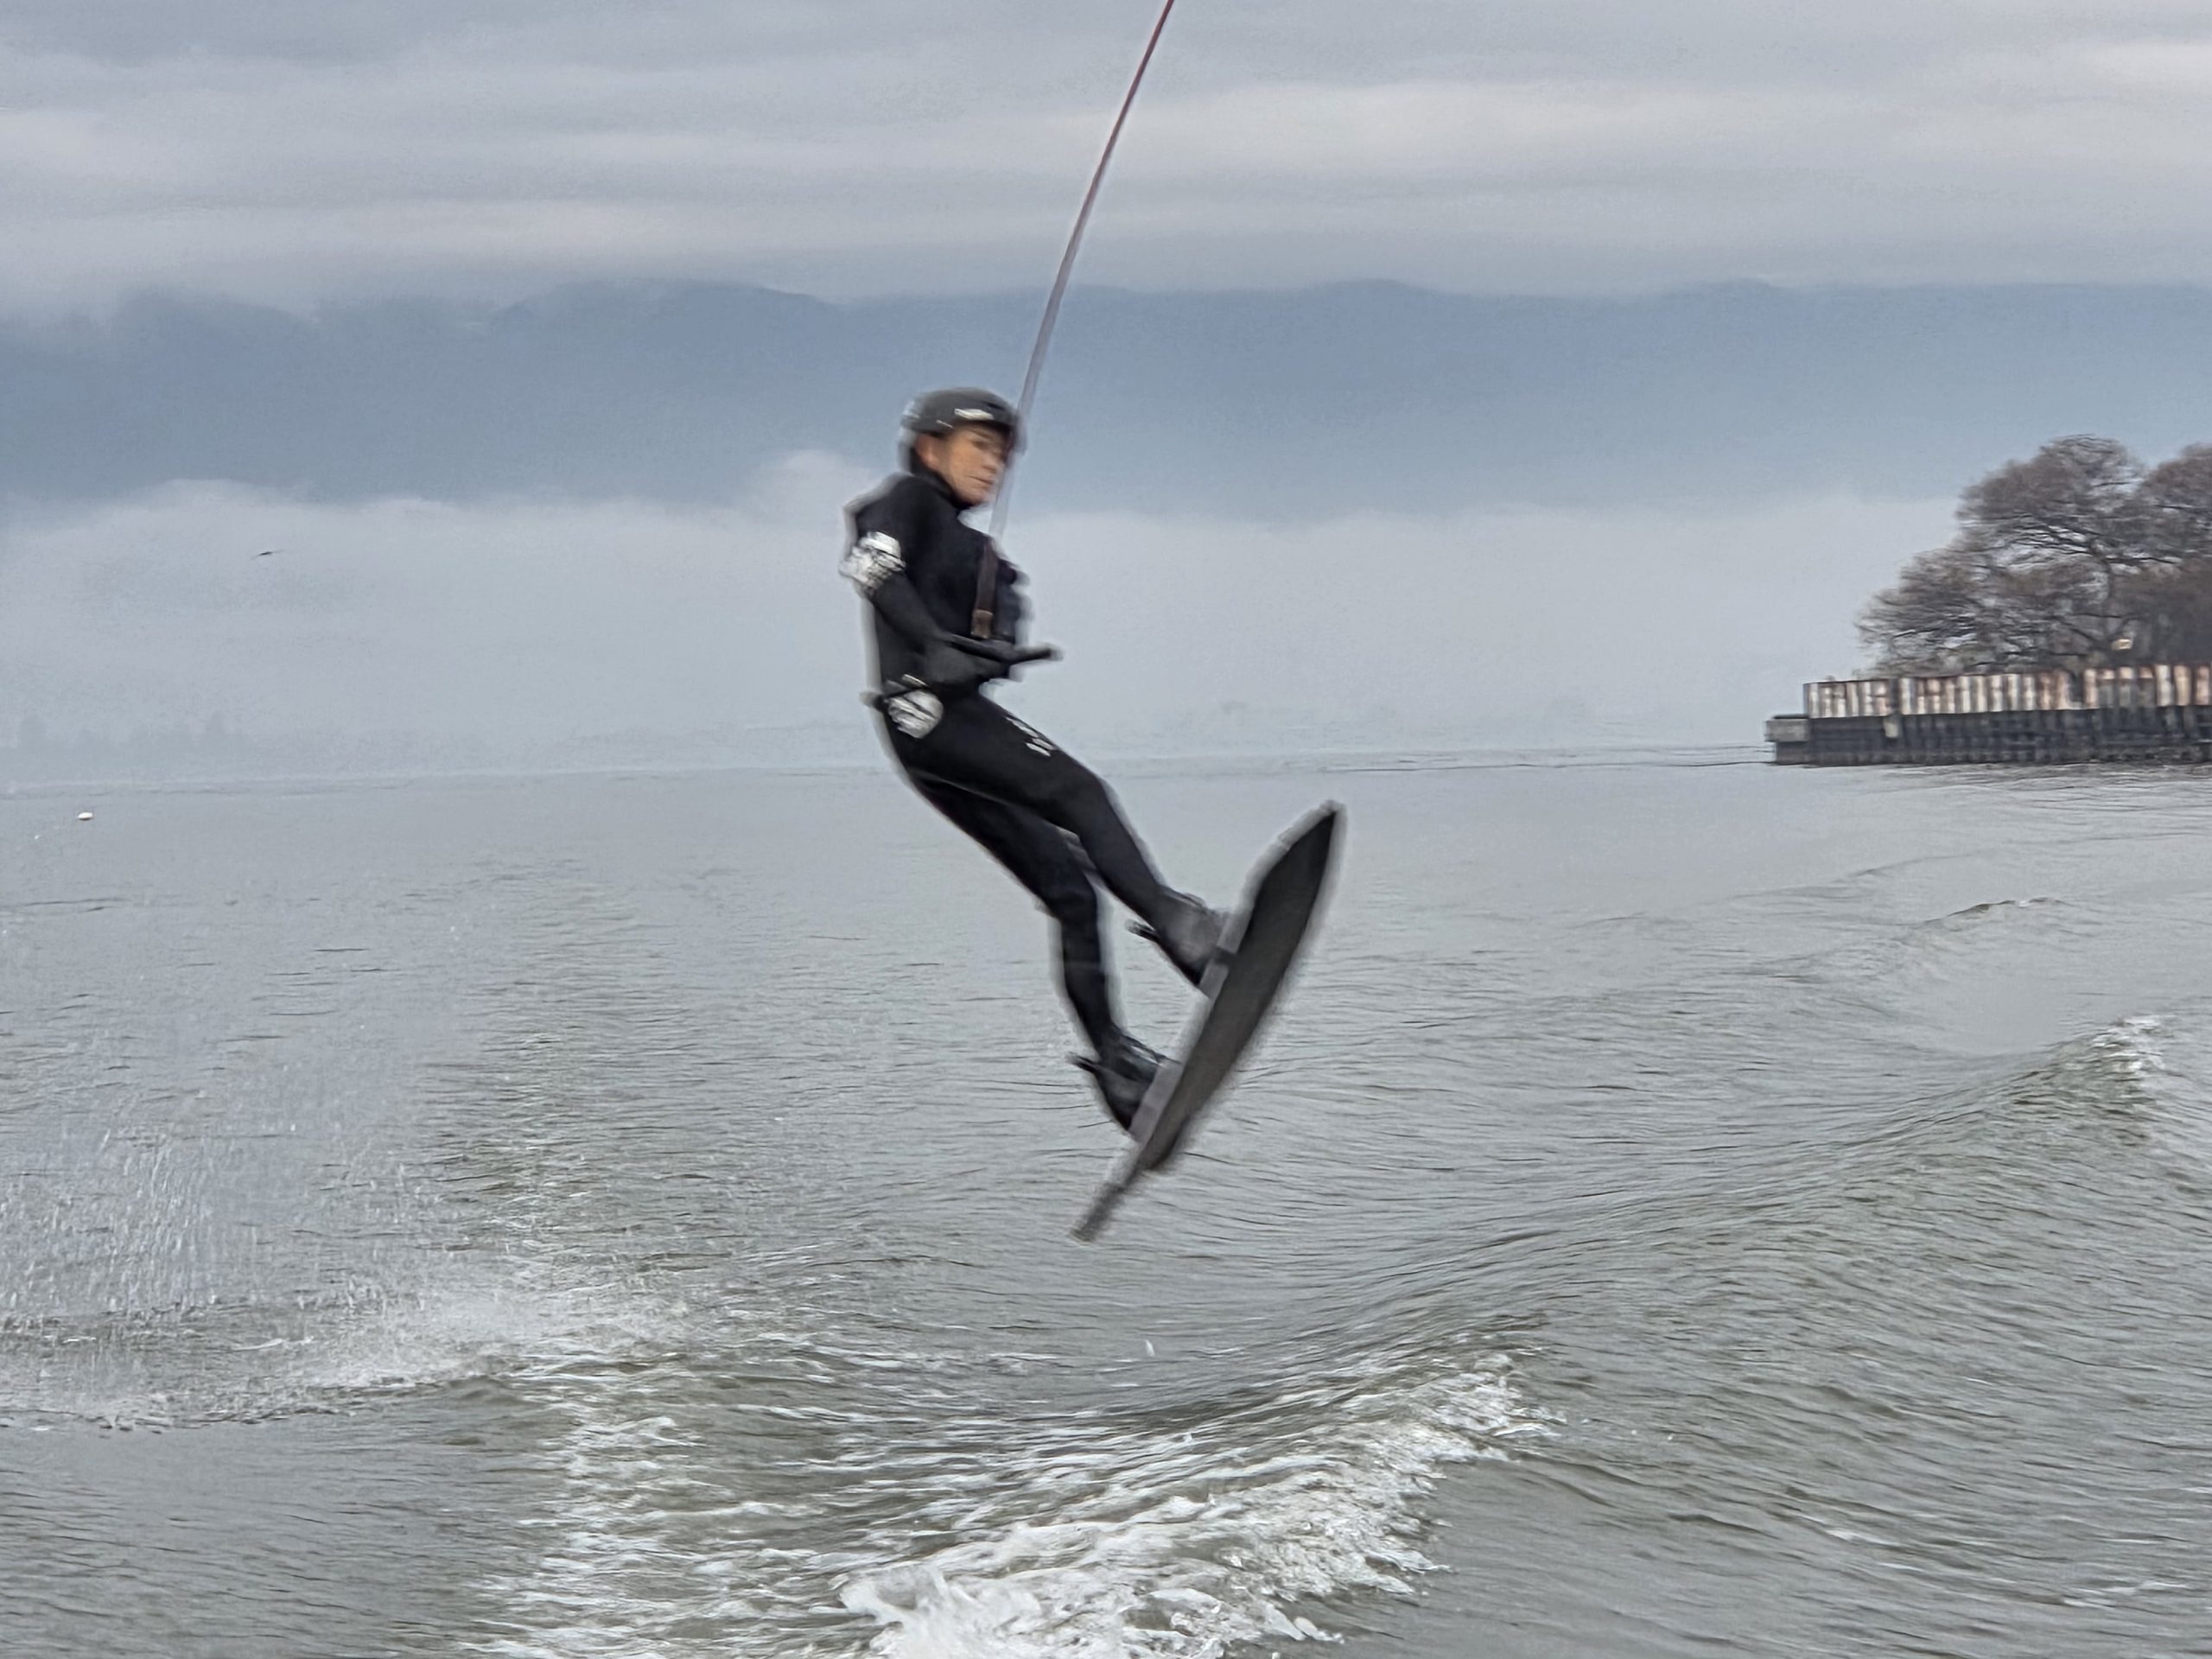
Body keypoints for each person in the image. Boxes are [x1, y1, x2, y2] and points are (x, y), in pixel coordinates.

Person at [842, 388, 1226, 1130]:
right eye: (979, 447)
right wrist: (932, 645)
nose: (994, 465)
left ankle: (1117, 1067)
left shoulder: (987, 561)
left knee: (1070, 891)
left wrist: (991, 652)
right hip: (934, 723)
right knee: (1082, 794)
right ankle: (1182, 929)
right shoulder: (906, 503)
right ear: (930, 449)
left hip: (929, 740)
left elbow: (1001, 627)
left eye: (1002, 455)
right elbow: (870, 567)